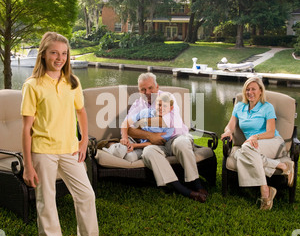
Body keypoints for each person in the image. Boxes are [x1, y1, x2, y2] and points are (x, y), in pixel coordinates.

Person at [21, 31, 115, 236]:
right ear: (43, 55)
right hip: (43, 151)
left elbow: (81, 112)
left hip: (71, 150)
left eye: (63, 53)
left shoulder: (72, 81)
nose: (59, 58)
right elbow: (26, 128)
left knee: (86, 195)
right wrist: (29, 165)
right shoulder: (32, 85)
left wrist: (83, 140)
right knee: (47, 203)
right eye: (54, 52)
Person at [120, 72, 208, 203]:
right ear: (139, 91)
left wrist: (142, 123)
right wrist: (147, 135)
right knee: (148, 153)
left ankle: (197, 185)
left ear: (157, 87)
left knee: (181, 144)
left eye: (150, 88)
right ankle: (184, 190)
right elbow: (129, 128)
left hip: (176, 137)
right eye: (143, 89)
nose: (147, 92)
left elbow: (165, 122)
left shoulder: (167, 98)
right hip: (154, 144)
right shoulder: (138, 104)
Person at [221, 77, 294, 211]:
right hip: (252, 146)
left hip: (273, 143)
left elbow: (271, 132)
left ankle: (265, 192)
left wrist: (256, 136)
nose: (250, 92)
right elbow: (230, 126)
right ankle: (279, 169)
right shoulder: (239, 106)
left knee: (243, 150)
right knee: (240, 153)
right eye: (247, 89)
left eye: (253, 89)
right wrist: (228, 132)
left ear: (260, 91)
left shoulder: (267, 107)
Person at [105, 91, 175, 162]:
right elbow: (126, 123)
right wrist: (125, 138)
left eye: (165, 106)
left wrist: (134, 146)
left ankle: (116, 147)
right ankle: (110, 145)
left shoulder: (170, 126)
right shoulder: (145, 112)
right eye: (159, 105)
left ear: (171, 108)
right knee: (119, 150)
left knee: (130, 157)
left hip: (146, 147)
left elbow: (156, 142)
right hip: (134, 139)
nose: (161, 108)